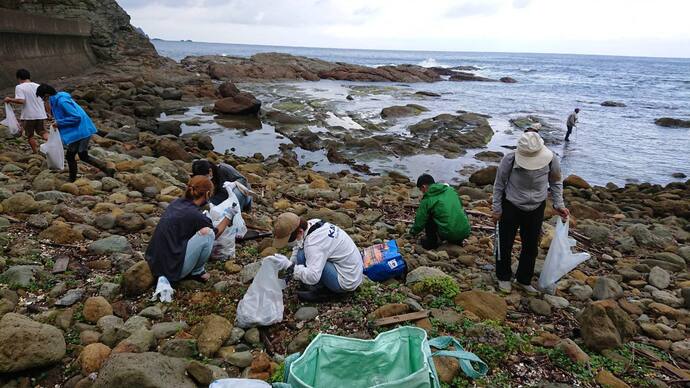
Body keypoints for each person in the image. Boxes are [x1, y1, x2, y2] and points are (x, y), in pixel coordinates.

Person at [492, 132, 570, 295]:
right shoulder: (510, 159)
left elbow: (555, 182)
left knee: (531, 246)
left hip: (536, 207)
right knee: (505, 243)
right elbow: (499, 184)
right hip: (511, 205)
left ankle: (523, 279)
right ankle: (503, 277)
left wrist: (559, 205)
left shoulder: (551, 159)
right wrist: (497, 209)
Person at [146, 176, 236, 283]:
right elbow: (215, 234)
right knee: (208, 233)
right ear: (207, 194)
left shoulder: (176, 203)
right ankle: (197, 272)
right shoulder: (195, 215)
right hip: (171, 271)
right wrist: (228, 217)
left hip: (154, 264)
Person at [273, 212, 363, 302]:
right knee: (301, 254)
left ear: (300, 231)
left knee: (302, 256)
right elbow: (298, 244)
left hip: (347, 280)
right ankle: (317, 283)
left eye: (289, 239)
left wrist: (290, 266)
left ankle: (325, 292)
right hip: (353, 270)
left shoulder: (314, 244)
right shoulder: (313, 223)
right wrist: (291, 267)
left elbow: (313, 277)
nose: (289, 242)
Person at [35, 84, 113, 181]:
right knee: (73, 155)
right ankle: (74, 178)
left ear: (47, 95)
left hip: (82, 130)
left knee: (80, 155)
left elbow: (76, 117)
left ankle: (105, 169)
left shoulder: (62, 101)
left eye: (43, 99)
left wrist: (59, 123)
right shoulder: (58, 99)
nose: (44, 101)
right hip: (78, 130)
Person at [409, 174, 471, 250]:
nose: (422, 192)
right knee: (459, 210)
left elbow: (420, 221)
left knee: (428, 217)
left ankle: (431, 243)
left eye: (421, 190)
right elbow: (460, 205)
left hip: (449, 233)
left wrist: (412, 232)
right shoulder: (450, 190)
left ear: (423, 187)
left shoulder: (427, 199)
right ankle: (457, 240)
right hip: (465, 232)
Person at [3, 69, 48, 153]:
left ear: (19, 78)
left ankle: (35, 152)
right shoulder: (38, 86)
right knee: (43, 132)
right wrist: (47, 112)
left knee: (30, 135)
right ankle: (53, 145)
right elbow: (45, 100)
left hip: (29, 116)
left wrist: (9, 99)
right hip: (41, 114)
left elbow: (21, 101)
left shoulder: (20, 87)